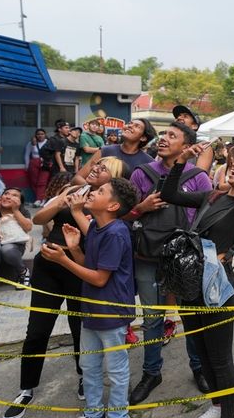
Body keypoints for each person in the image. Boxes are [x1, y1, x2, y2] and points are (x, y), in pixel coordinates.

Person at [2, 156, 130, 418]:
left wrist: (75, 223)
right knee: (37, 329)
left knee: (79, 331)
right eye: (96, 165)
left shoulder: (105, 214)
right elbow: (39, 219)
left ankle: (88, 382)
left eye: (103, 168)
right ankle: (27, 387)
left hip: (80, 270)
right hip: (50, 266)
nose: (95, 169)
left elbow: (96, 242)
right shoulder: (75, 193)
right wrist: (62, 200)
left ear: (114, 180)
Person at [161, 143, 234, 418]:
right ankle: (217, 406)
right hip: (190, 282)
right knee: (202, 351)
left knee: (220, 359)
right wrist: (182, 160)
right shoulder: (212, 196)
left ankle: (228, 415)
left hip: (218, 287)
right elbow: (169, 193)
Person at [126, 121, 213, 405]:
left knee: (190, 317)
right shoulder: (141, 173)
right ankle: (151, 373)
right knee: (152, 319)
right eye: (163, 134)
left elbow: (209, 217)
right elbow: (123, 214)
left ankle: (199, 367)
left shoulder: (199, 176)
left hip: (184, 259)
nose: (163, 139)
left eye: (172, 136)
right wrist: (142, 207)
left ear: (186, 147)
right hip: (147, 257)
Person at [40, 178, 138, 418]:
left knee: (116, 369)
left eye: (101, 191)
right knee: (89, 366)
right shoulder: (96, 227)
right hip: (91, 311)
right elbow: (89, 265)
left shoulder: (116, 233)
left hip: (112, 313)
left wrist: (63, 260)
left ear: (113, 206)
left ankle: (118, 414)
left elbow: (99, 279)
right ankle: (93, 411)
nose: (93, 192)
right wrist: (74, 249)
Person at [74, 118, 156, 184]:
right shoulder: (105, 151)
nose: (129, 126)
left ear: (143, 138)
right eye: (129, 123)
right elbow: (78, 178)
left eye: (137, 126)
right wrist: (94, 191)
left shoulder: (149, 163)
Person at [24, 129, 50, 207]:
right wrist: (27, 165)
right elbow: (27, 154)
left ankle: (41, 199)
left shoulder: (48, 142)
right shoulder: (31, 143)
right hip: (34, 163)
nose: (40, 135)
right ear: (36, 135)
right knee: (34, 182)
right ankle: (39, 199)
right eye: (38, 134)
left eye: (42, 134)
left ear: (45, 134)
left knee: (42, 182)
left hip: (45, 163)